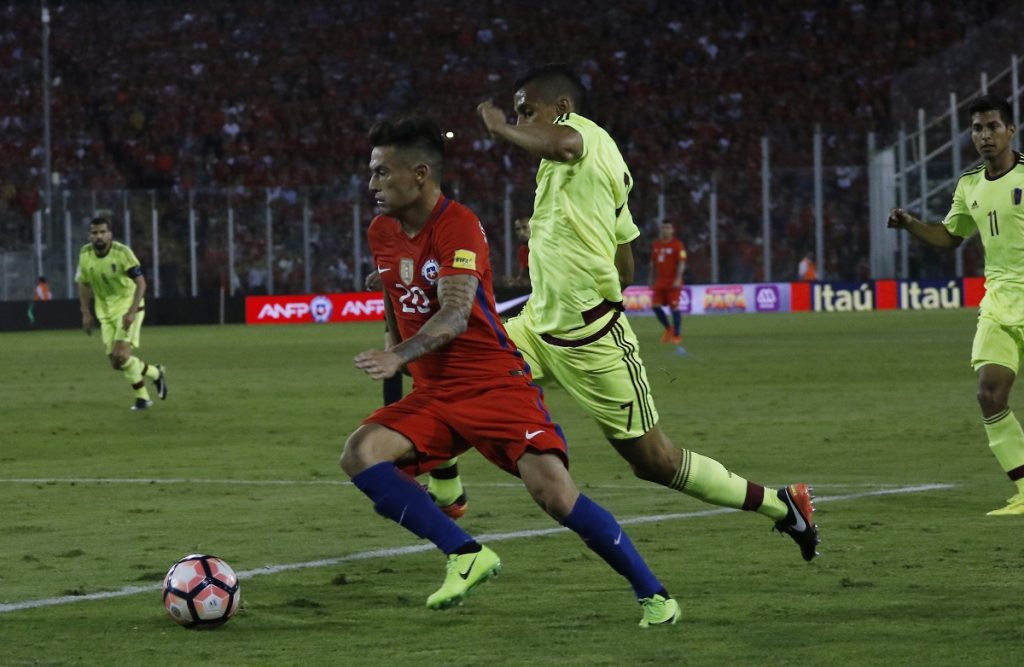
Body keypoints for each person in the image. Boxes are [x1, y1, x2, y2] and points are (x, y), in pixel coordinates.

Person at [467, 63, 819, 561]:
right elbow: (625, 253)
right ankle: (445, 492)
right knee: (462, 373)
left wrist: (501, 126)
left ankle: (784, 507)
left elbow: (564, 143)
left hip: (593, 343)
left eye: (528, 110)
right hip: (538, 327)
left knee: (656, 462)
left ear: (562, 110)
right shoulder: (579, 170)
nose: (521, 118)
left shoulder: (584, 138)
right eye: (516, 113)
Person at [340, 116, 681, 627]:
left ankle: (654, 595)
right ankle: (465, 553)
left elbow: (456, 314)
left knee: (555, 495)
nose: (372, 185)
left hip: (492, 383)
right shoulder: (381, 230)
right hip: (435, 392)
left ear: (420, 174)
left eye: (382, 173)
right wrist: (394, 347)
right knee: (361, 453)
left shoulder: (458, 225)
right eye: (371, 173)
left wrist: (398, 355)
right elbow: (394, 289)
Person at [888, 93, 1024, 516]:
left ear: (1011, 131)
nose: (985, 135)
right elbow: (950, 237)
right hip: (1000, 301)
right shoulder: (969, 184)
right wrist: (911, 224)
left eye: (993, 127)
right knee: (989, 394)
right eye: (978, 128)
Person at [76, 215, 167, 410]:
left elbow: (141, 283)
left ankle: (142, 398)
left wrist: (132, 312)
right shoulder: (84, 254)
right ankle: (155, 373)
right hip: (104, 311)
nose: (98, 236)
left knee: (122, 355)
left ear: (110, 235)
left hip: (127, 307)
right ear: (89, 236)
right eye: (94, 233)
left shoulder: (122, 253)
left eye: (102, 232)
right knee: (116, 363)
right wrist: (86, 312)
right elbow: (83, 284)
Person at [650, 222, 686, 346]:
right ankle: (668, 328)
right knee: (655, 306)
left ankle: (676, 334)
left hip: (673, 282)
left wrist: (678, 278)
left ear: (672, 230)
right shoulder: (656, 245)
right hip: (660, 281)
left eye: (668, 228)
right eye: (664, 228)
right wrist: (650, 279)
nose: (665, 230)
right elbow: (652, 264)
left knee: (674, 307)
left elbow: (681, 263)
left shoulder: (677, 245)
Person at [514, 216, 531, 286]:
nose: (521, 232)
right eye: (518, 229)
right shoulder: (523, 250)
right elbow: (522, 276)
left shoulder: (546, 247)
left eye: (525, 227)